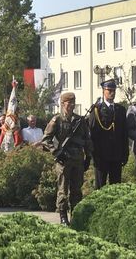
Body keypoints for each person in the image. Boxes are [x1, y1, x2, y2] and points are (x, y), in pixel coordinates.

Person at [41, 92, 93, 225]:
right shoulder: (57, 120)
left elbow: (87, 140)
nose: (71, 105)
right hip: (63, 160)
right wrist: (56, 152)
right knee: (63, 190)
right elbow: (46, 140)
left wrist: (88, 157)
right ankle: (63, 216)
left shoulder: (80, 120)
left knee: (77, 190)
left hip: (78, 159)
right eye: (68, 103)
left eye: (72, 103)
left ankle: (75, 216)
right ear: (62, 103)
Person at [88, 79, 129, 189]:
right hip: (101, 155)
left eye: (114, 90)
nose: (112, 93)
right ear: (103, 91)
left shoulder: (120, 110)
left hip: (116, 154)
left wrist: (125, 153)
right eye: (109, 90)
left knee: (116, 187)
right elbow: (92, 134)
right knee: (100, 186)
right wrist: (93, 155)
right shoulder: (96, 109)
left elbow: (124, 134)